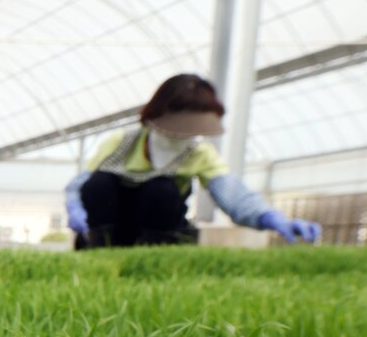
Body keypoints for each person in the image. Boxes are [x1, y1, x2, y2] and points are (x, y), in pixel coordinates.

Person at [65, 74, 319, 248]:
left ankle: (153, 257)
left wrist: (271, 218)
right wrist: (75, 208)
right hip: (112, 223)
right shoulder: (122, 142)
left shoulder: (199, 154)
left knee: (161, 189)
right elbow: (81, 184)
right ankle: (101, 248)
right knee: (100, 183)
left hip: (159, 228)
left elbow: (234, 195)